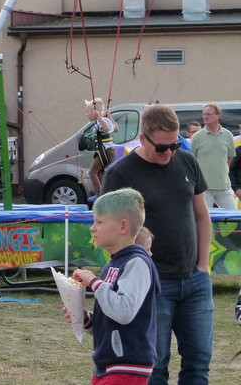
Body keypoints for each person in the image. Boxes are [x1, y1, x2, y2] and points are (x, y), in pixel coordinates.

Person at [102, 104, 212, 384]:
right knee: (154, 365)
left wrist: (203, 266)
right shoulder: (120, 174)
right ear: (143, 138)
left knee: (199, 363)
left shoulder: (187, 162)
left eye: (174, 145)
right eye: (162, 147)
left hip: (195, 281)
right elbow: (109, 230)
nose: (169, 153)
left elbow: (202, 215)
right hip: (150, 284)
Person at [69, 188, 160, 384]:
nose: (93, 228)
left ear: (123, 227)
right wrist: (86, 319)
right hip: (108, 366)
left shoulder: (137, 263)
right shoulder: (112, 265)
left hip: (127, 366)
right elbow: (112, 315)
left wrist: (94, 282)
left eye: (99, 222)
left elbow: (124, 311)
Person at [190, 103, 236, 209]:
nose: (205, 116)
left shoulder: (228, 135)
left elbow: (229, 158)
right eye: (204, 114)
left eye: (209, 114)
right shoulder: (196, 137)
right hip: (204, 188)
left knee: (235, 221)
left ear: (218, 116)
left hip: (224, 187)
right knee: (206, 221)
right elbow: (192, 161)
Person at [86, 98, 119, 198]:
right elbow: (116, 128)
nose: (86, 114)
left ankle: (99, 195)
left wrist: (100, 117)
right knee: (99, 172)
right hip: (108, 151)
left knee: (92, 172)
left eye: (88, 112)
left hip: (106, 151)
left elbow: (107, 129)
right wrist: (109, 117)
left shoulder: (101, 121)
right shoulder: (105, 120)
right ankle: (104, 193)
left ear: (95, 112)